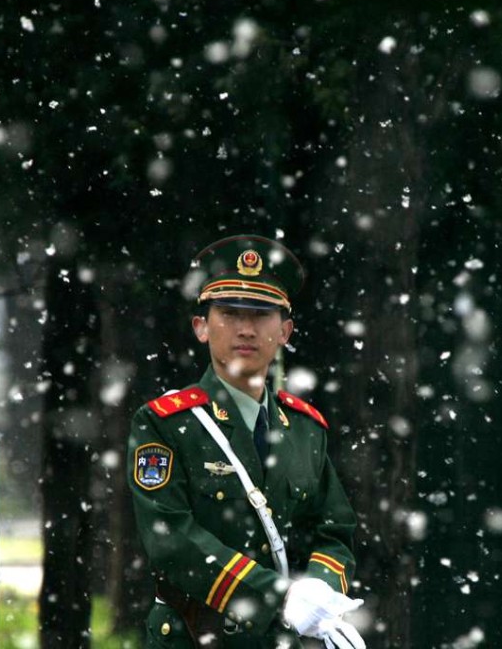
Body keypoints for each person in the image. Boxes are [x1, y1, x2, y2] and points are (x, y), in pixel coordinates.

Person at [126, 234, 366, 648]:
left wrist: (320, 597)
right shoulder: (165, 424)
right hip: (195, 639)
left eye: (261, 314)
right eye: (229, 312)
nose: (246, 328)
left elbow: (334, 530)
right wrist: (280, 596)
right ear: (201, 327)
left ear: (285, 330)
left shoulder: (306, 428)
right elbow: (172, 541)